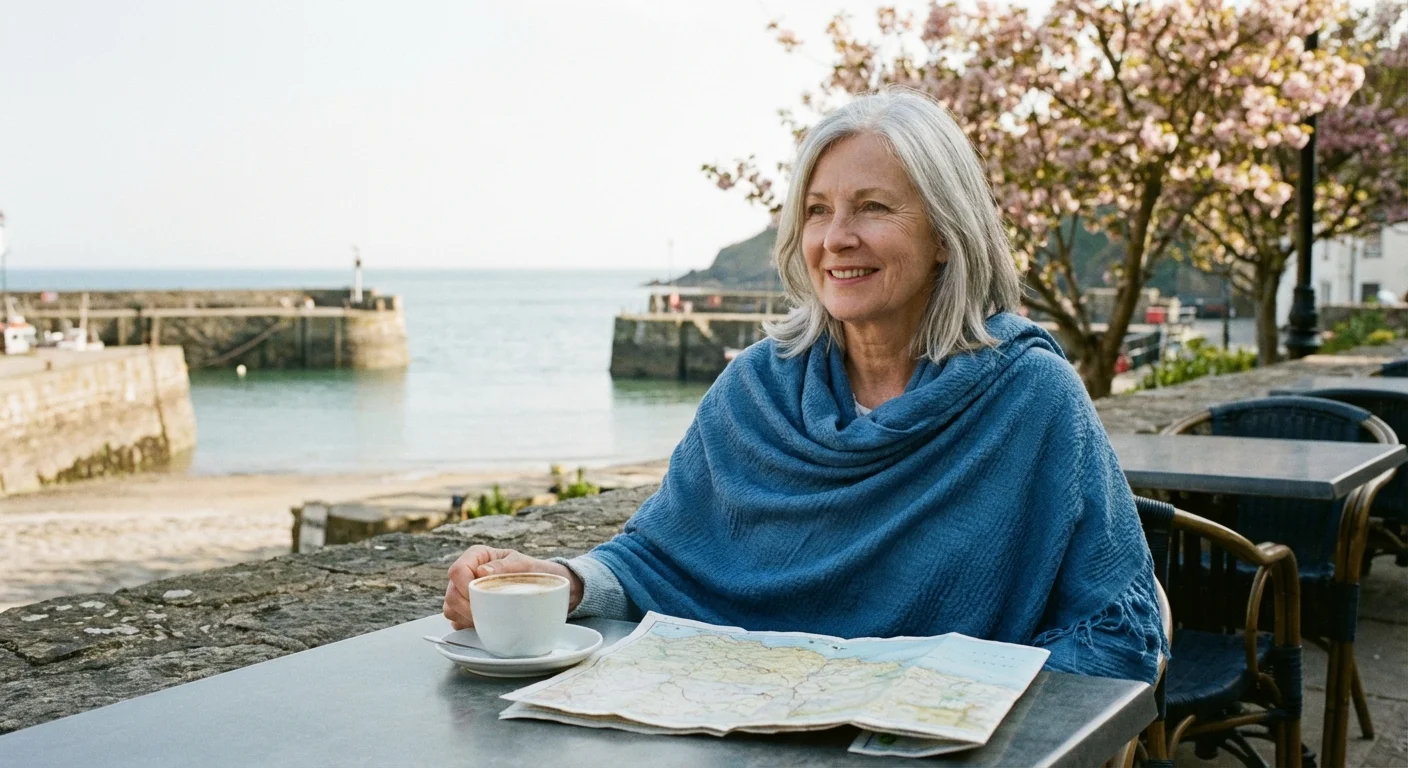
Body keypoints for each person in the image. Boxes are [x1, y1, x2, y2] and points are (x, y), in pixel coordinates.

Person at [444, 88, 1166, 684]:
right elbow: (661, 556)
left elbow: (1116, 624)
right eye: (818, 210)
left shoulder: (1031, 397)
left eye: (873, 208)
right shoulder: (756, 389)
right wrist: (561, 582)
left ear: (946, 234)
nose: (836, 237)